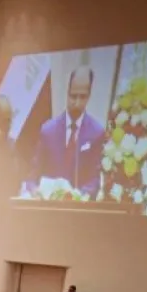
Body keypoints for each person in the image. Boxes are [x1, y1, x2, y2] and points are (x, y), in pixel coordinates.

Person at [32, 66, 106, 197]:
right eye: (73, 96)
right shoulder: (47, 131)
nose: (77, 103)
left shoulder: (97, 133)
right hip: (48, 209)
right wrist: (35, 191)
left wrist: (79, 196)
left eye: (82, 97)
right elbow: (33, 176)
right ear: (67, 92)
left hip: (79, 210)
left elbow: (95, 180)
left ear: (89, 96)